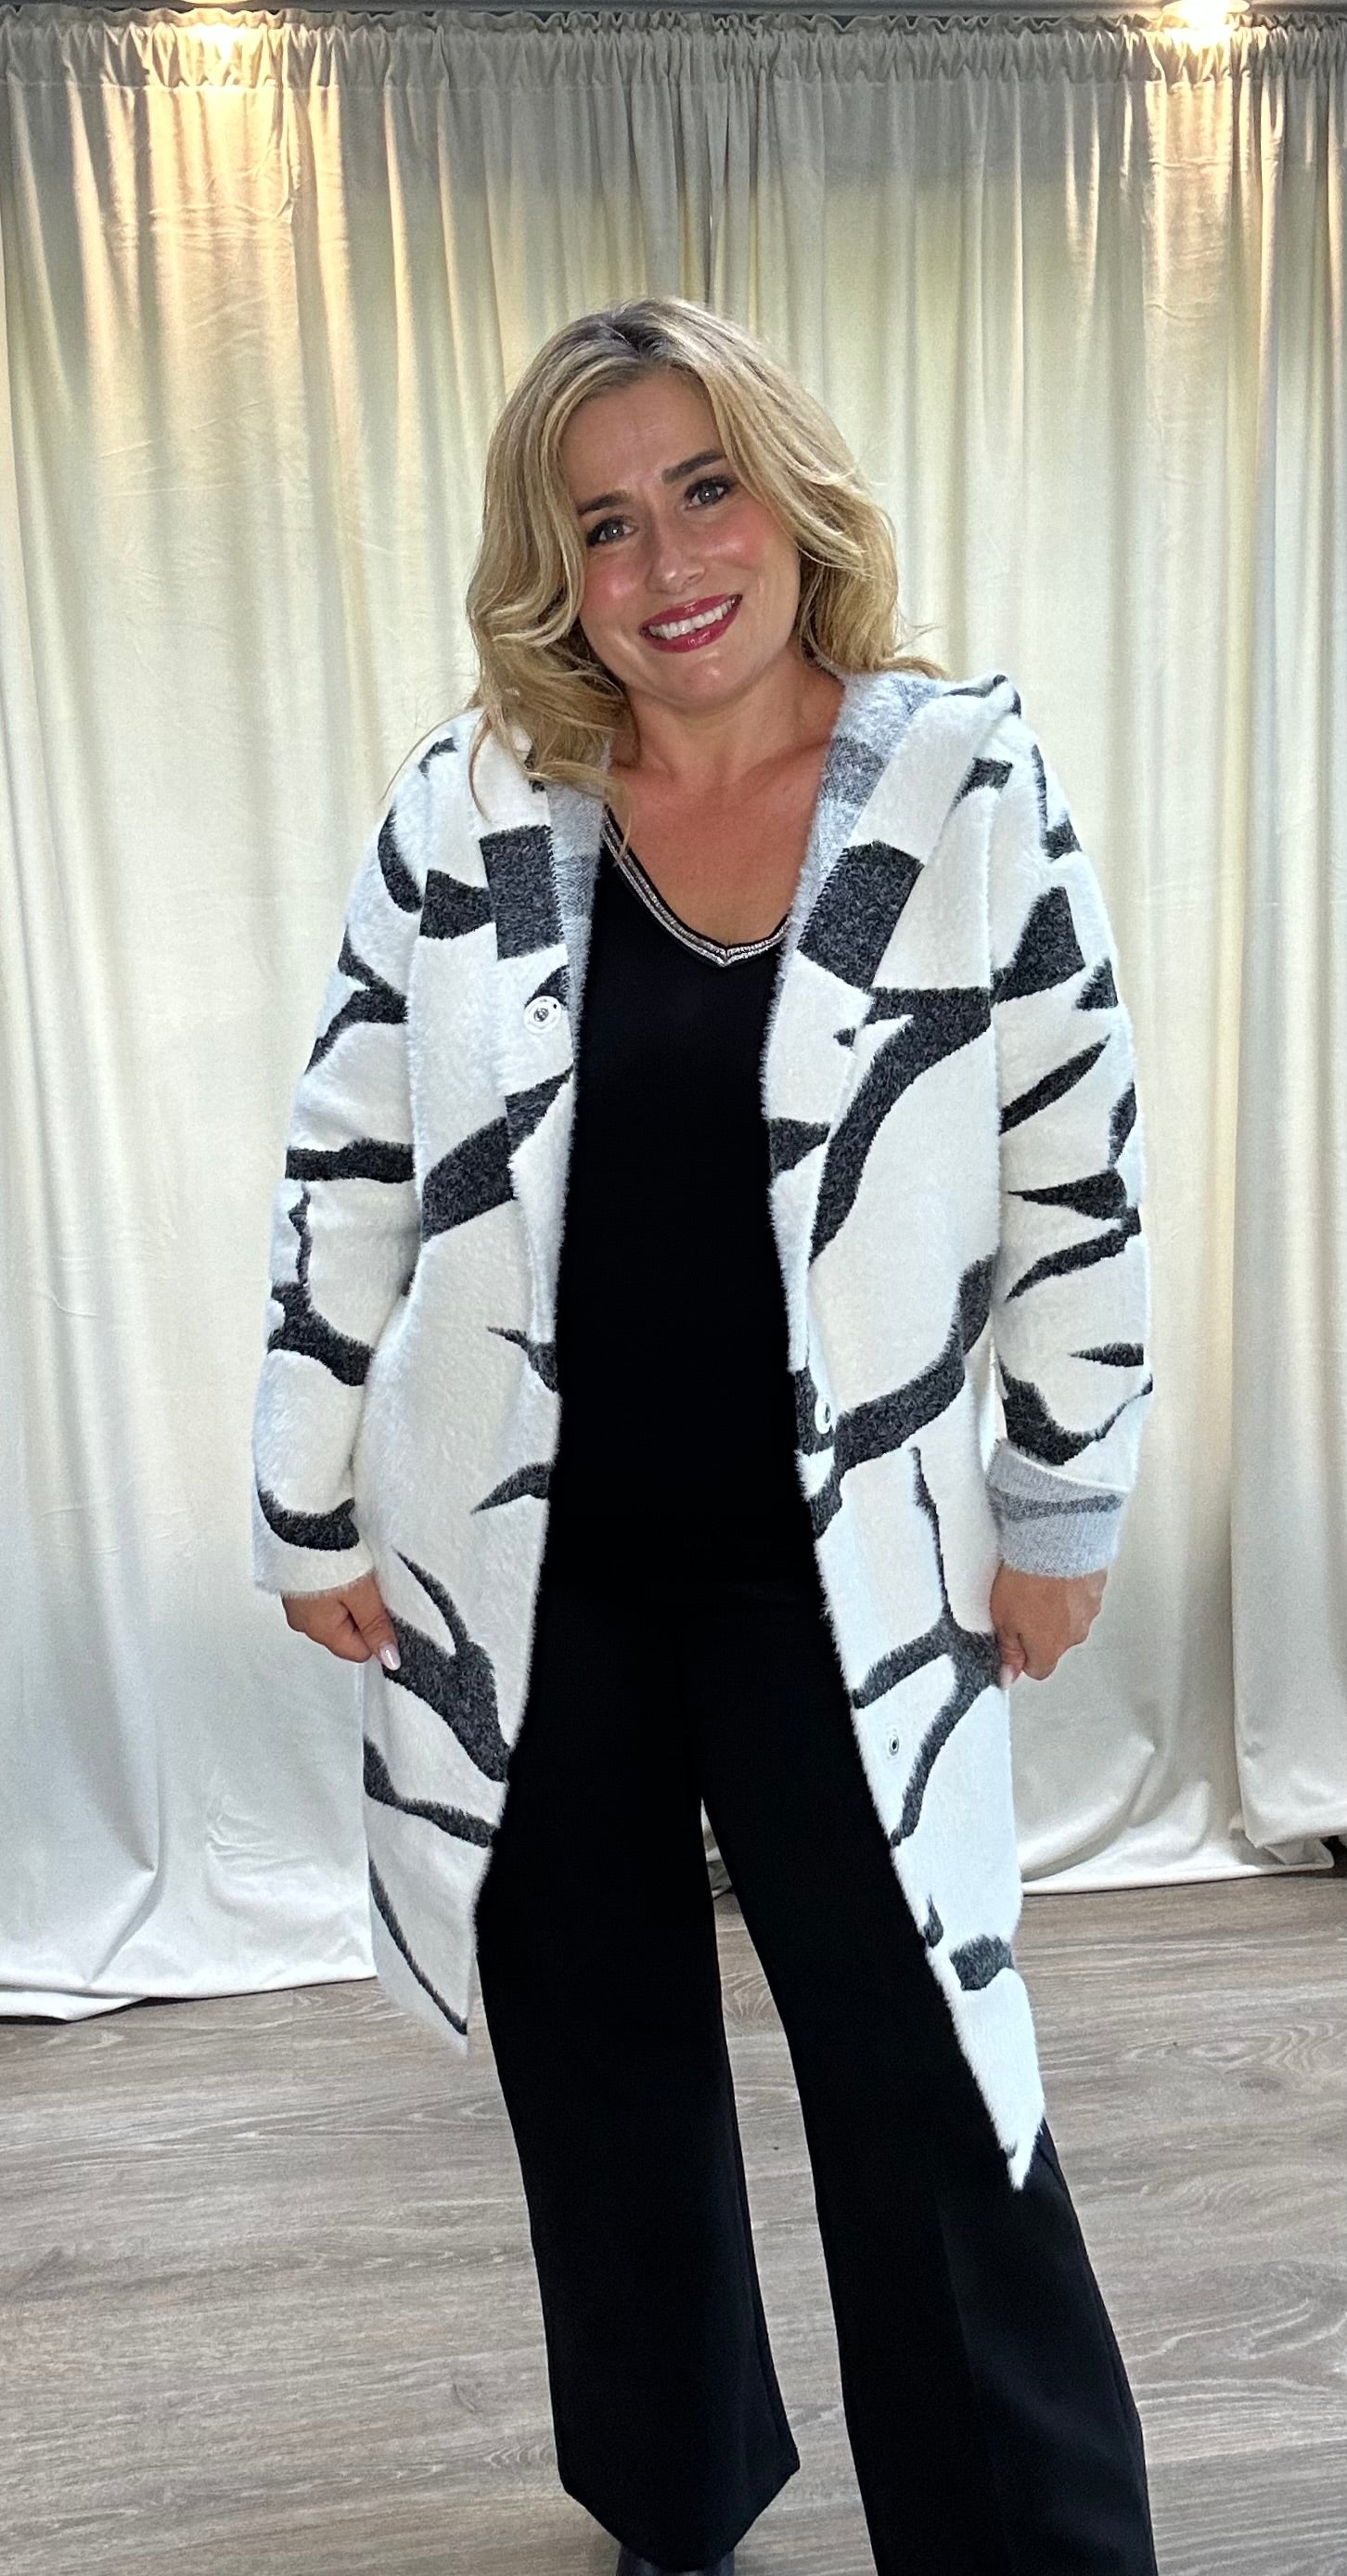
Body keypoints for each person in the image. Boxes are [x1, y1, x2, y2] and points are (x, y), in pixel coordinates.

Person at [251, 297, 1159, 2576]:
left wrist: (1062, 1489)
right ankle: (675, 2490)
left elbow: (1076, 1159)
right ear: (548, 566)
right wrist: (308, 1490)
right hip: (523, 1562)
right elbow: (349, 1163)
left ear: (789, 493)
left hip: (840, 1574)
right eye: (602, 522)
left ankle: (1030, 2539)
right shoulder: (468, 807)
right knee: (601, 2066)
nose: (665, 561)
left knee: (929, 2075)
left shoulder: (960, 785)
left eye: (704, 486)